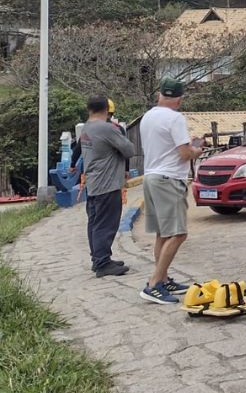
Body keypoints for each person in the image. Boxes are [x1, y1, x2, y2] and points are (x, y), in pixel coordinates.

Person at [139, 78, 203, 304]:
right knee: (178, 233)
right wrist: (197, 149)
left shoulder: (148, 116)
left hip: (151, 176)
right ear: (179, 98)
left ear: (159, 95)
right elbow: (184, 154)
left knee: (163, 233)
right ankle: (154, 283)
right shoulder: (176, 118)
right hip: (169, 179)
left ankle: (164, 279)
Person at [79, 95, 135, 277]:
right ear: (106, 109)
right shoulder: (106, 128)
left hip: (93, 183)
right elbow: (129, 150)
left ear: (89, 109)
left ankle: (99, 259)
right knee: (106, 224)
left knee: (94, 223)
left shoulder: (86, 127)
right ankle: (103, 263)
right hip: (107, 184)